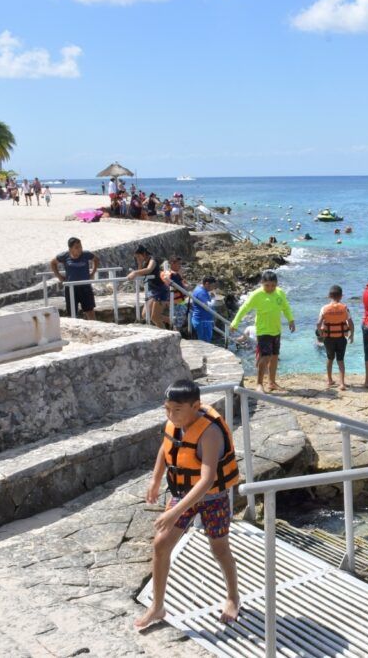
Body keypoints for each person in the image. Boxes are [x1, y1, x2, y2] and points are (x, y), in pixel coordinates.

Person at [134, 380, 241, 630]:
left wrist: (173, 512)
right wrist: (155, 480)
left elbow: (207, 480)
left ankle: (233, 597)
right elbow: (165, 448)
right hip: (184, 494)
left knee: (220, 549)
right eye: (167, 409)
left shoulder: (210, 432)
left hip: (212, 498)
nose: (171, 415)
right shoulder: (176, 422)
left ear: (196, 405)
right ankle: (158, 606)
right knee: (160, 545)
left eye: (177, 410)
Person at [229, 270, 295, 393]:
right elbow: (244, 308)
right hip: (263, 331)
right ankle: (259, 384)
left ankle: (272, 382)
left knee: (275, 356)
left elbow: (285, 307)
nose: (270, 288)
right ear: (262, 283)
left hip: (276, 330)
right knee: (265, 357)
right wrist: (235, 322)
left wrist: (291, 320)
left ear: (276, 284)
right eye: (267, 285)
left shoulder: (280, 293)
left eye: (273, 285)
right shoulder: (256, 294)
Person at [316, 285, 355, 390]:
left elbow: (318, 323)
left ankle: (330, 380)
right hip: (341, 338)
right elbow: (351, 323)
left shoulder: (324, 309)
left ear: (329, 296)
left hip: (328, 339)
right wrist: (352, 335)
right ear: (341, 296)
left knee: (329, 359)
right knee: (341, 360)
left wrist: (321, 334)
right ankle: (342, 383)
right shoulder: (345, 308)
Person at [50, 237, 99, 319]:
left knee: (90, 311)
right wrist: (59, 276)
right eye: (76, 247)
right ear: (70, 249)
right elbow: (53, 263)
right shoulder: (64, 256)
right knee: (72, 313)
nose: (79, 249)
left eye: (80, 246)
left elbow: (96, 259)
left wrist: (93, 272)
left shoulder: (86, 254)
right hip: (71, 288)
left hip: (85, 287)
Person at [127, 245, 170, 329]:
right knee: (144, 314)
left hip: (160, 290)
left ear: (144, 253)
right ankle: (169, 320)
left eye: (138, 256)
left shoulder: (152, 260)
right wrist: (139, 263)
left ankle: (167, 332)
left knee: (155, 317)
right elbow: (141, 272)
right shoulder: (143, 262)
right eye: (136, 257)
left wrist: (134, 272)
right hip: (152, 291)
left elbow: (149, 269)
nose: (137, 258)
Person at [162, 257, 188, 331]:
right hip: (177, 303)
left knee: (176, 322)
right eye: (179, 264)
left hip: (174, 301)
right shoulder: (174, 275)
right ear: (172, 263)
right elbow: (182, 289)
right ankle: (176, 336)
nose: (180, 266)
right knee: (177, 324)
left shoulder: (167, 274)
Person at [189, 277, 218, 343]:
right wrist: (214, 298)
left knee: (205, 342)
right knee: (204, 343)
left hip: (205, 320)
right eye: (213, 286)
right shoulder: (200, 292)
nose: (213, 288)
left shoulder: (203, 290)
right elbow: (207, 306)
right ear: (207, 284)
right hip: (202, 321)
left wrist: (212, 320)